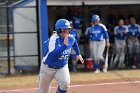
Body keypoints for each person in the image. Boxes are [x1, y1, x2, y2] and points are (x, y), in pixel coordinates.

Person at [37, 19, 84, 93]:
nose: (66, 32)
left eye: (68, 29)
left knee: (65, 84)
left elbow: (74, 43)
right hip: (47, 68)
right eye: (63, 30)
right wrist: (64, 46)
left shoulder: (70, 37)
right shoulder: (53, 39)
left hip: (62, 67)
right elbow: (53, 54)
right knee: (43, 91)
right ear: (58, 30)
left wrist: (78, 54)